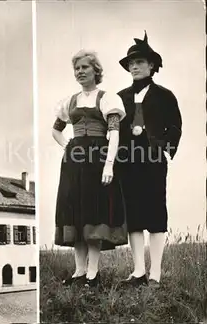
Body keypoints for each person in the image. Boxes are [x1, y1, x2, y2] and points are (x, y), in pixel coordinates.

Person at [52, 50, 128, 288]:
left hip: (98, 160)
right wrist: (69, 147)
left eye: (85, 67)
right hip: (74, 164)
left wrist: (109, 165)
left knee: (93, 215)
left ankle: (93, 274)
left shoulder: (108, 99)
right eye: (77, 69)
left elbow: (114, 134)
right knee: (76, 214)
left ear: (96, 71)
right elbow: (55, 130)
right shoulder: (69, 102)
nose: (80, 72)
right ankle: (79, 271)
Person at [117, 32, 182, 288]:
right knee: (133, 215)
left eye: (140, 62)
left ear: (152, 65)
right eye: (131, 63)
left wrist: (165, 148)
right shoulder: (119, 97)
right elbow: (113, 128)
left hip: (153, 160)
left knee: (155, 214)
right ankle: (138, 272)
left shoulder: (165, 96)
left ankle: (155, 274)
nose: (134, 66)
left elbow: (175, 126)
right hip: (127, 161)